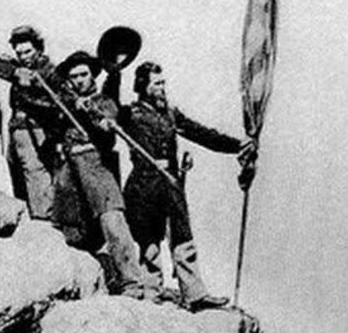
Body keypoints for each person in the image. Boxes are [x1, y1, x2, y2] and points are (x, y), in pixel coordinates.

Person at [118, 61, 257, 311]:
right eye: (157, 83)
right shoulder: (130, 115)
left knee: (182, 237)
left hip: (171, 184)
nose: (162, 88)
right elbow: (109, 111)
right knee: (148, 241)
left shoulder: (171, 114)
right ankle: (152, 292)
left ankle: (195, 294)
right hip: (143, 186)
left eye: (163, 83)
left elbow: (201, 134)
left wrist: (238, 145)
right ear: (143, 86)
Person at [53, 51, 146, 299]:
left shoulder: (103, 99)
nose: (79, 80)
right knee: (70, 226)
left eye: (84, 74)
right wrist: (74, 104)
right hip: (68, 166)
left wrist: (102, 121)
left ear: (92, 75)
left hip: (95, 162)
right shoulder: (65, 99)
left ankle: (131, 281)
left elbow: (108, 116)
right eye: (74, 76)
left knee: (112, 217)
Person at [0, 25, 60, 219]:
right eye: (19, 52)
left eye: (28, 51)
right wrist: (15, 71)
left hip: (36, 129)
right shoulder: (20, 68)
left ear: (39, 49)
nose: (24, 56)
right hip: (16, 130)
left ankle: (44, 219)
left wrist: (30, 84)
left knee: (36, 173)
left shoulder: (49, 70)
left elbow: (52, 103)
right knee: (18, 175)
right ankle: (32, 218)